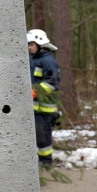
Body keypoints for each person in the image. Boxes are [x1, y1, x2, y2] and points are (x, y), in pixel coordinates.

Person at [28, 29, 60, 168]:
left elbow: (52, 82)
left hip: (44, 109)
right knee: (34, 136)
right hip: (34, 108)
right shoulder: (33, 60)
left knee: (43, 137)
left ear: (39, 43)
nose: (29, 47)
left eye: (31, 44)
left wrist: (35, 92)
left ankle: (46, 163)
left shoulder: (48, 61)